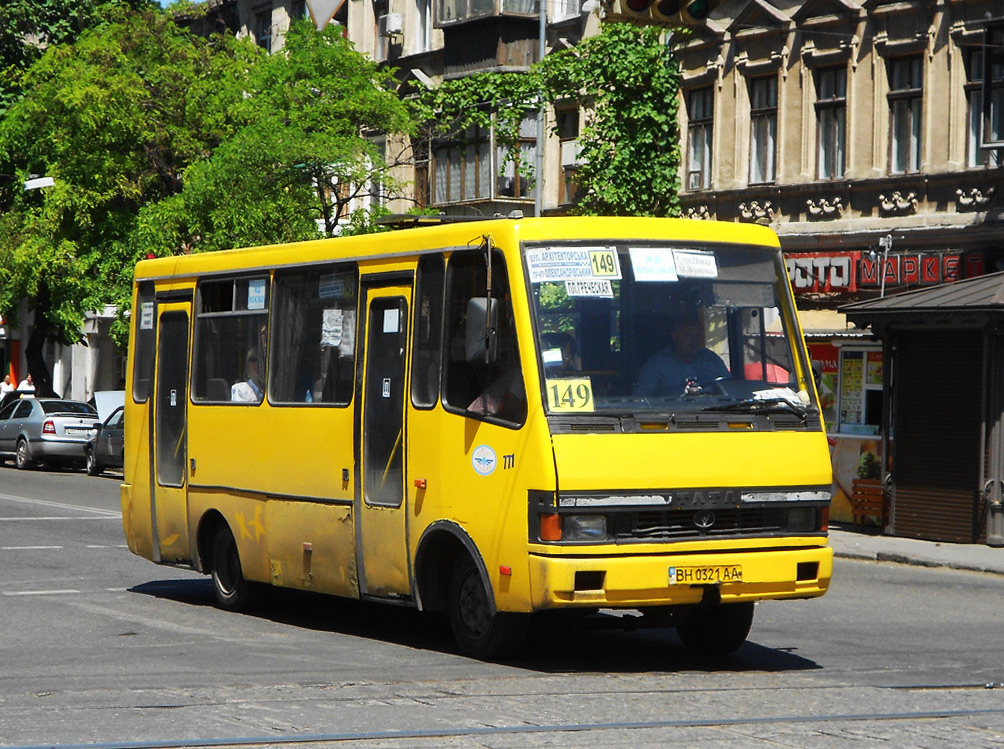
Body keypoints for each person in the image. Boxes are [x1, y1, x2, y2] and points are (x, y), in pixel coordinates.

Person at [634, 310, 730, 397]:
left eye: (698, 335)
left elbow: (731, 387)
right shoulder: (656, 364)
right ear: (675, 336)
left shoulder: (711, 359)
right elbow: (641, 401)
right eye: (689, 335)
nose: (695, 340)